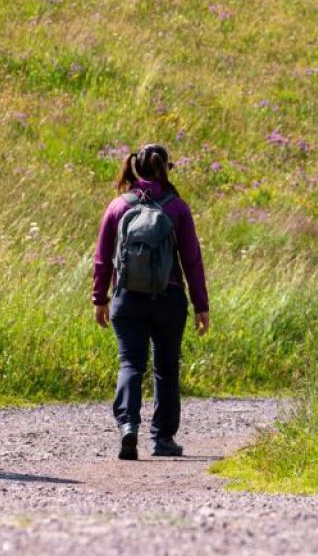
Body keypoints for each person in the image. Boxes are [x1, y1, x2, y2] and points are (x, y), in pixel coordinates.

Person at [92, 143, 209, 460]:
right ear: (165, 169)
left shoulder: (118, 206)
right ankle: (163, 439)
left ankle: (128, 426)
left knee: (130, 363)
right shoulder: (177, 208)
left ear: (133, 168)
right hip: (168, 297)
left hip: (127, 298)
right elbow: (192, 260)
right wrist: (201, 305)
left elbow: (103, 258)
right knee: (166, 367)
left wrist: (99, 298)